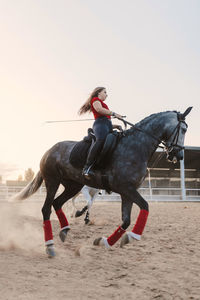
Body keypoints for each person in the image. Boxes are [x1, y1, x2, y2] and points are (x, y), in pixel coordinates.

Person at [78, 87, 124, 179]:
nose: (107, 94)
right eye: (105, 92)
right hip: (99, 124)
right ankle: (87, 167)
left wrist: (116, 126)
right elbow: (99, 110)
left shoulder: (104, 104)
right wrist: (114, 114)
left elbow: (107, 122)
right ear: (99, 93)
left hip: (106, 125)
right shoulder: (96, 100)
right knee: (101, 140)